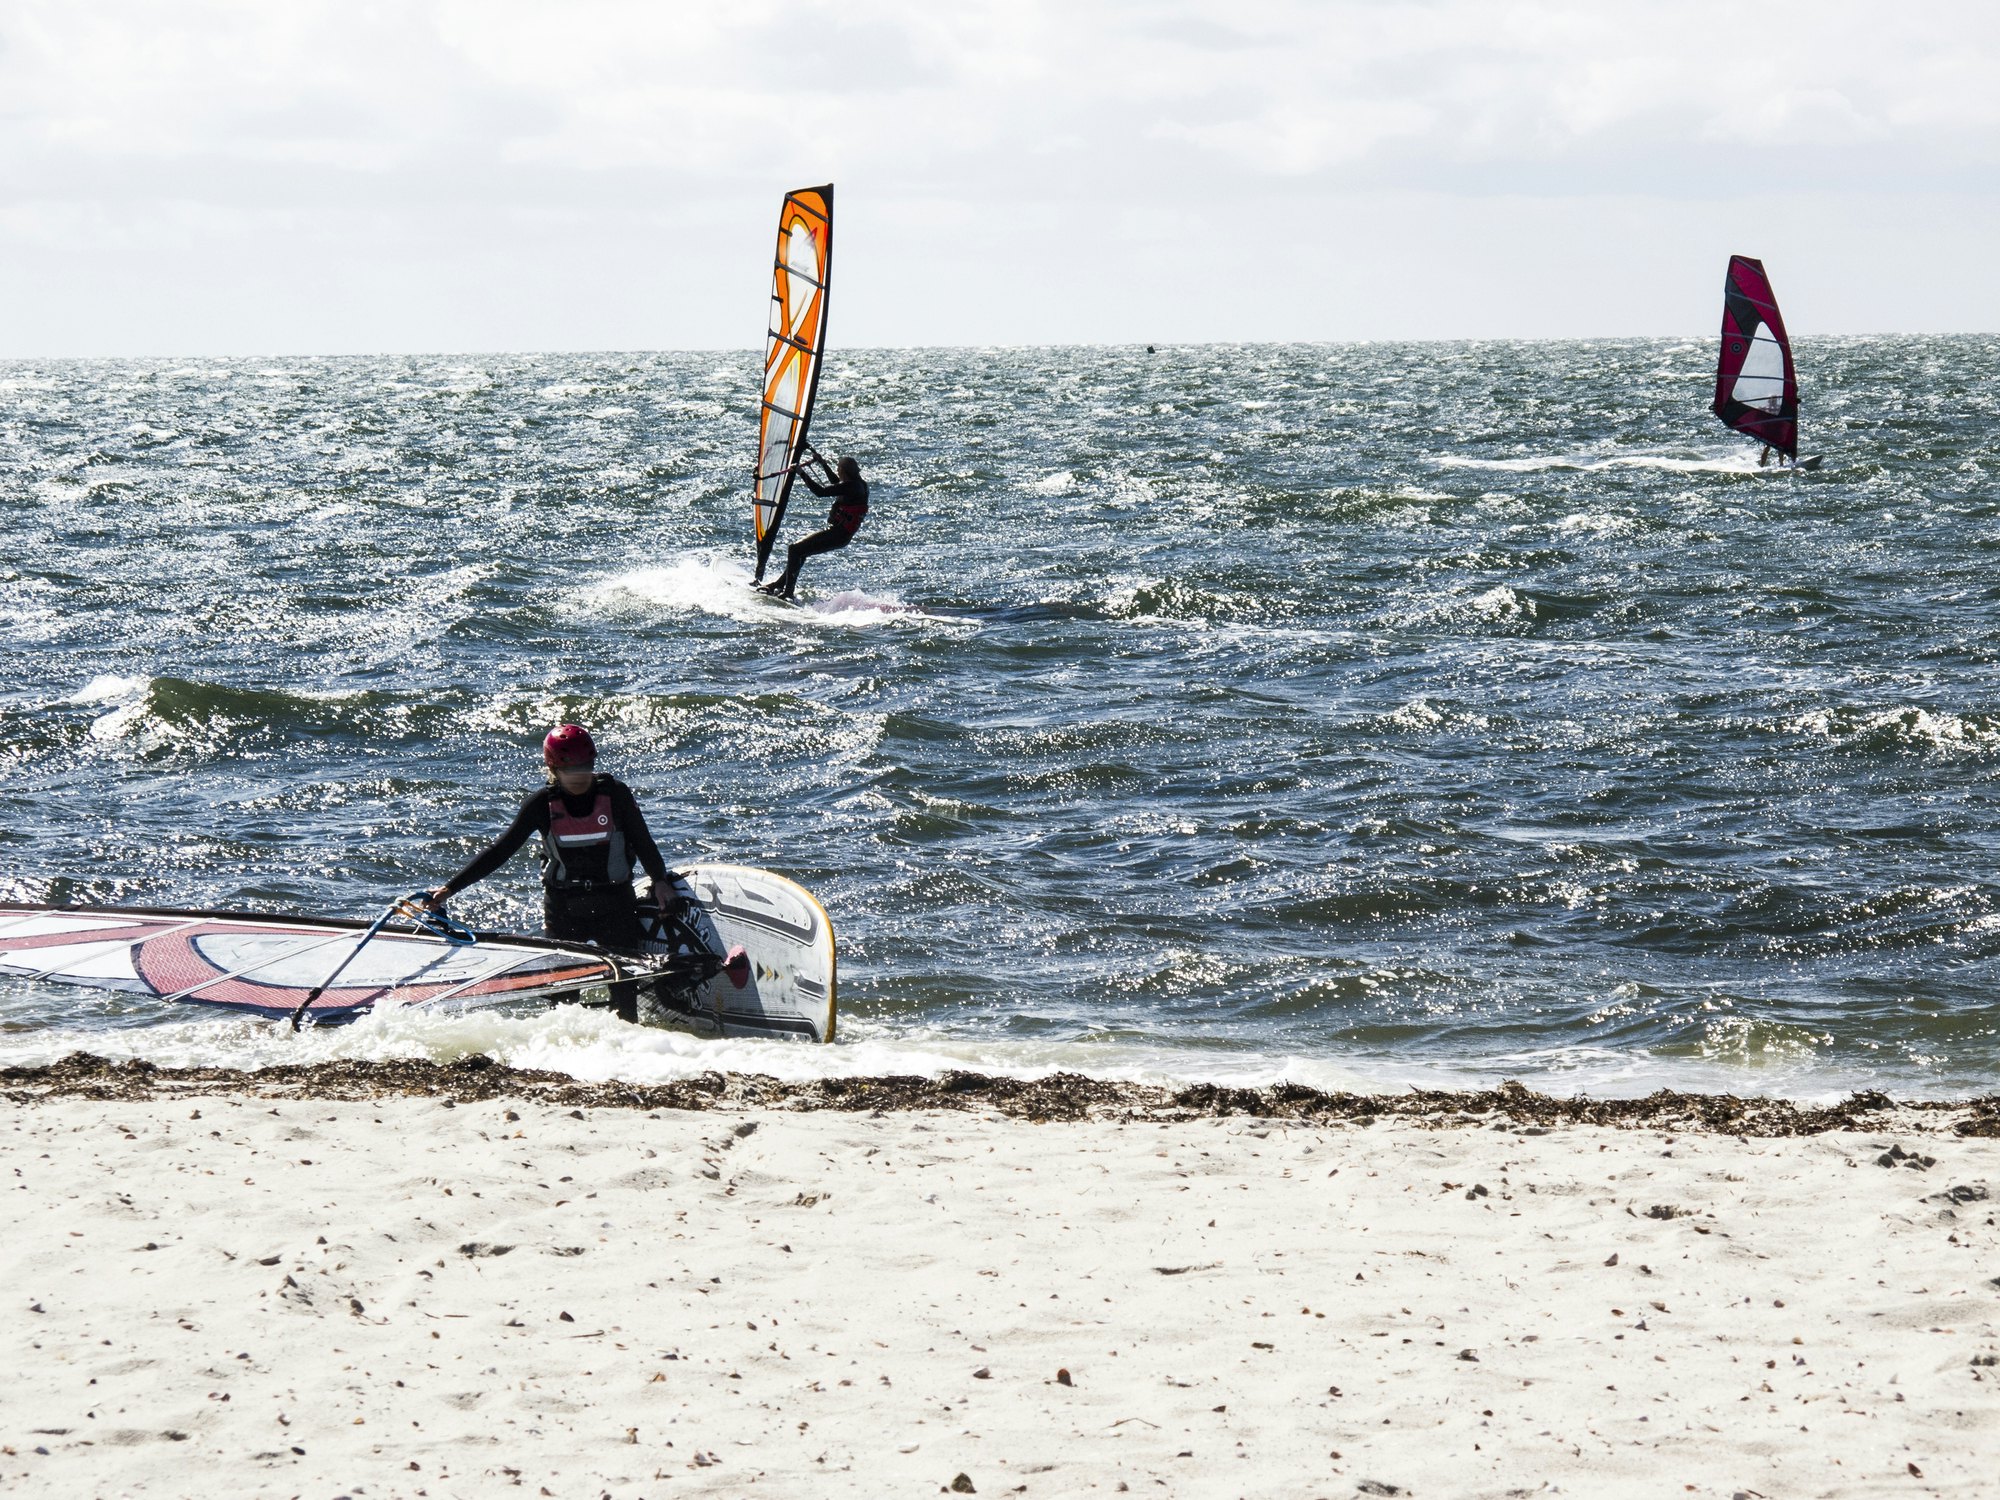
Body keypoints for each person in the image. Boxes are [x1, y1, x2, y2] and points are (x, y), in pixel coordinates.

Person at [423, 724, 672, 1023]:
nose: (580, 775)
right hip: (564, 907)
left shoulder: (615, 794)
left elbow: (643, 841)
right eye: (572, 770)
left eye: (586, 766)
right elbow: (500, 851)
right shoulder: (541, 805)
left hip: (615, 902)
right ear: (553, 768)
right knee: (562, 1002)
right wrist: (451, 888)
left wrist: (660, 881)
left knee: (624, 995)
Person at [759, 452, 869, 600]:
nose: (837, 471)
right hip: (840, 534)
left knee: (795, 549)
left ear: (843, 471)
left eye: (838, 469)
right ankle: (780, 585)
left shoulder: (853, 487)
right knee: (800, 552)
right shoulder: (857, 484)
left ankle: (788, 592)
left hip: (838, 534)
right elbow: (837, 483)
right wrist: (823, 464)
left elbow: (821, 492)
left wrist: (801, 473)